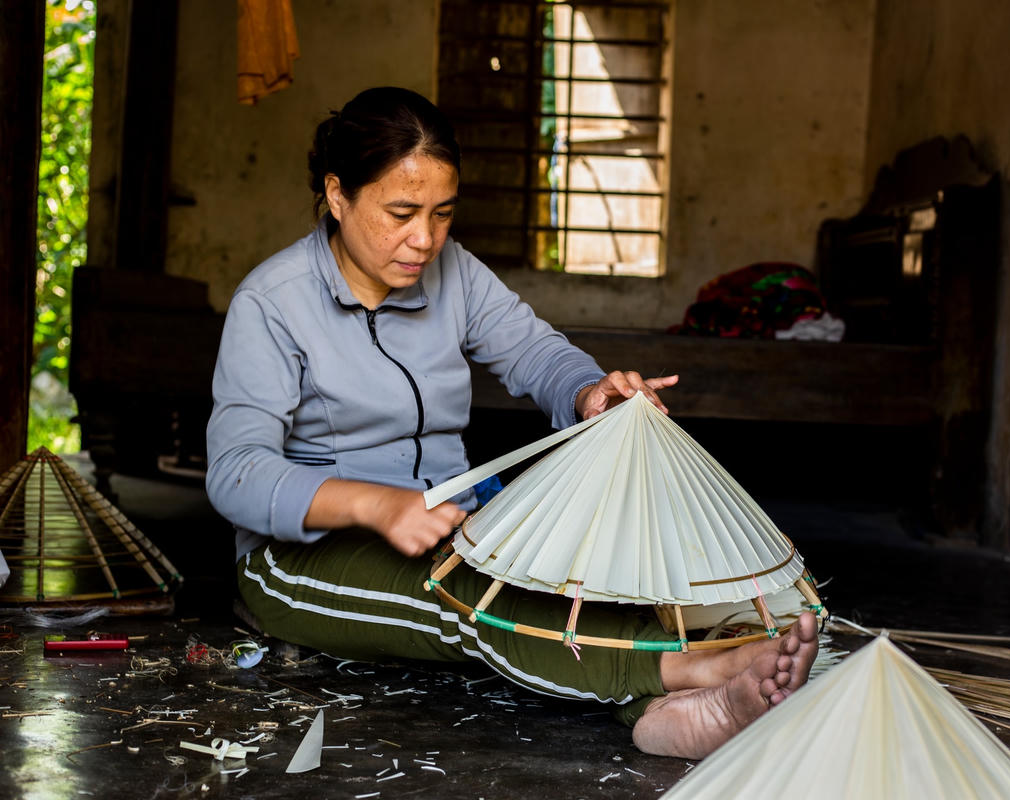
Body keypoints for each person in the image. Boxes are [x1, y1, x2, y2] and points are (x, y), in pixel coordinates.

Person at [206, 86, 818, 760]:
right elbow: (238, 474)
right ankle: (704, 669)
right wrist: (377, 506)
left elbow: (535, 352)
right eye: (402, 212)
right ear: (337, 194)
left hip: (453, 527)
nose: (425, 239)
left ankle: (669, 717)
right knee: (477, 598)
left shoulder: (454, 273)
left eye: (442, 213)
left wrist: (589, 393)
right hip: (298, 559)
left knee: (584, 564)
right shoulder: (272, 302)